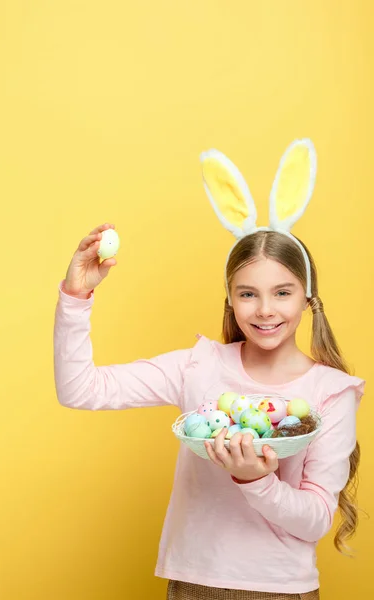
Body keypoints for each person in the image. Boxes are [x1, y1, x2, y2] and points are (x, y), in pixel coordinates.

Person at [53, 140, 365, 600]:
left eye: (282, 292)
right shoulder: (199, 366)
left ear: (307, 297)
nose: (264, 310)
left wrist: (256, 480)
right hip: (193, 583)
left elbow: (317, 519)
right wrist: (75, 297)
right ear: (230, 298)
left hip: (281, 590)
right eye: (247, 293)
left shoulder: (331, 391)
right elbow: (80, 389)